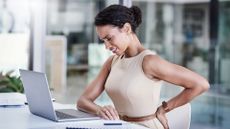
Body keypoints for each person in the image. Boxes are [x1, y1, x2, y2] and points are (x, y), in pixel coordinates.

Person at [77, 4, 210, 129]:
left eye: (109, 38)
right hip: (121, 126)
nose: (106, 46)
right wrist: (99, 110)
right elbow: (83, 101)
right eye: (103, 40)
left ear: (127, 29)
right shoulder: (112, 62)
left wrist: (164, 108)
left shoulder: (149, 61)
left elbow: (200, 84)